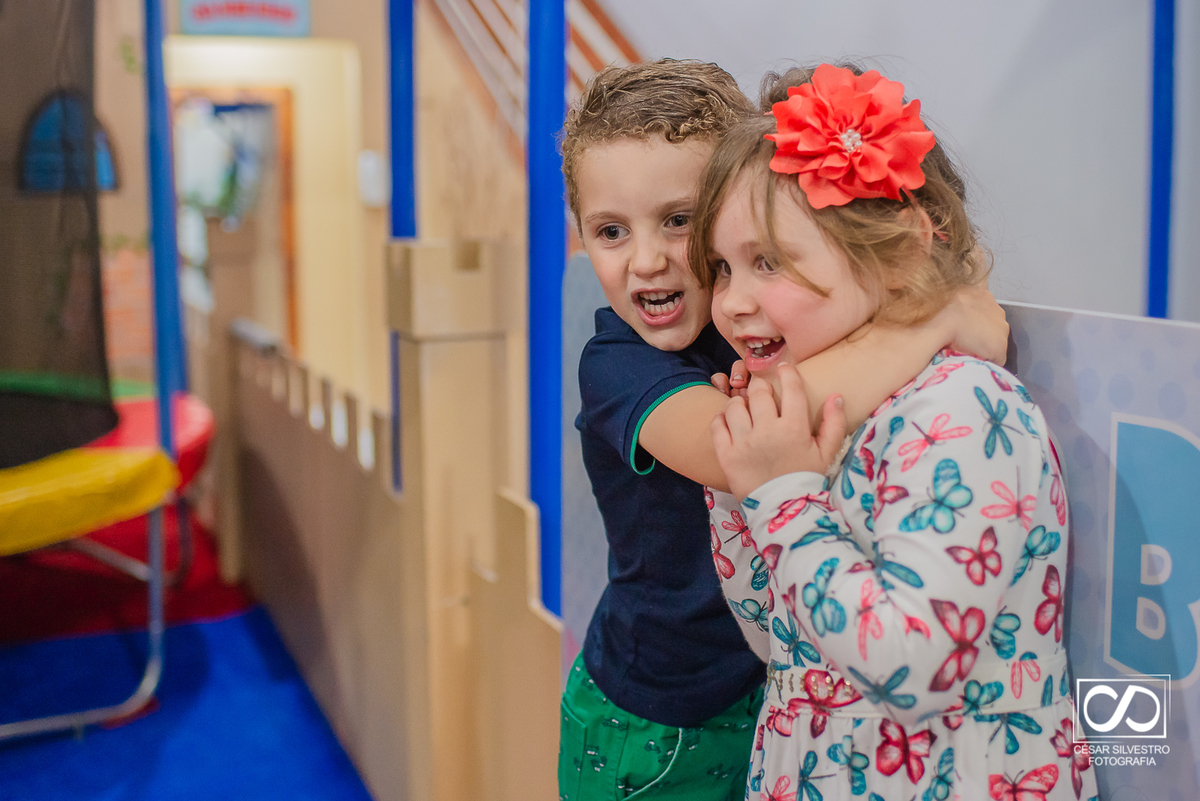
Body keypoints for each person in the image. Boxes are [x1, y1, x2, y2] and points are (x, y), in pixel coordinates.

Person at [558, 60, 1010, 801]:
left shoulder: (755, 330)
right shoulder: (617, 363)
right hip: (655, 718)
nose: (647, 260)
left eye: (680, 221)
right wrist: (936, 319)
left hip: (769, 694)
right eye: (611, 231)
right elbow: (736, 444)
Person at [693, 63, 1096, 801]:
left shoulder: (966, 410)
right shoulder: (817, 406)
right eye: (722, 268)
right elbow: (778, 638)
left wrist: (781, 496)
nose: (733, 302)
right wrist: (741, 486)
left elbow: (913, 665)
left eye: (768, 262)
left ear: (903, 250)